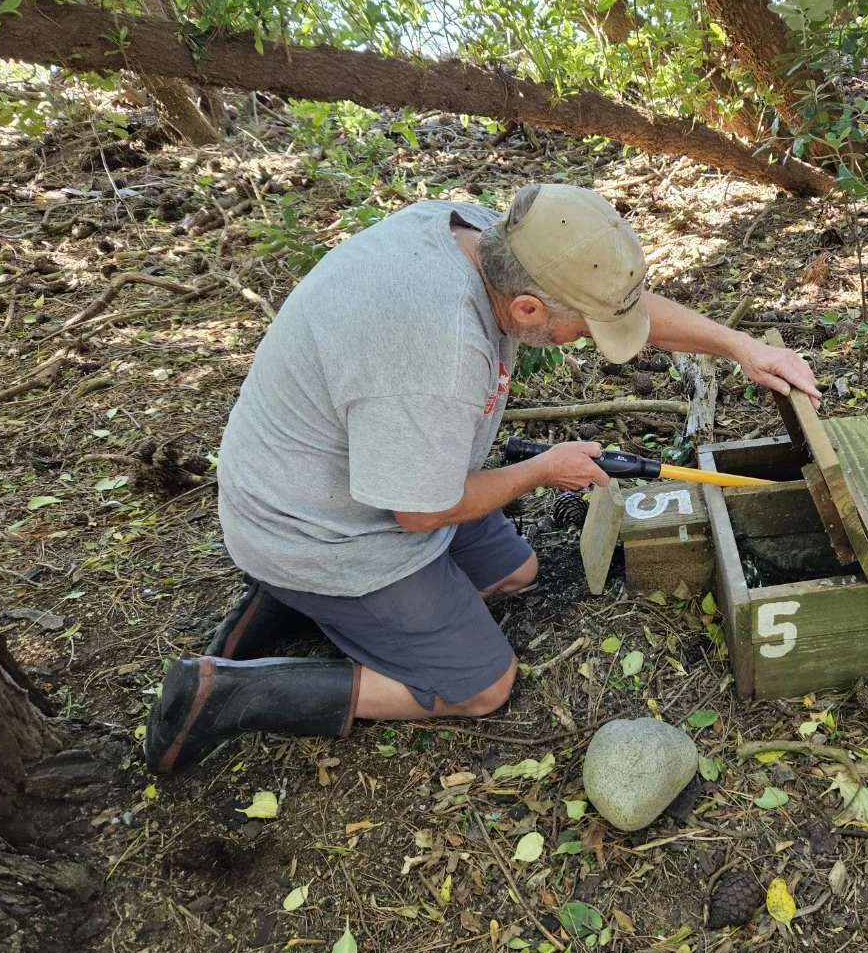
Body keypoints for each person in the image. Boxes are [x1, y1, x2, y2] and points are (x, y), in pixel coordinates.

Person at [144, 183, 819, 774]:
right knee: (480, 685)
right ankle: (229, 690)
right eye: (581, 331)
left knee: (514, 573)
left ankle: (293, 601)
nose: (587, 339)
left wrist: (742, 346)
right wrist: (540, 470)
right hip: (325, 528)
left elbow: (615, 303)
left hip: (349, 477)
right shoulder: (436, 350)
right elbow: (416, 514)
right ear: (528, 310)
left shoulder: (490, 235)